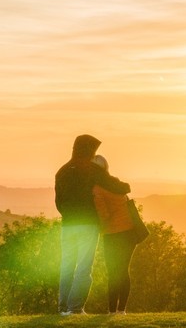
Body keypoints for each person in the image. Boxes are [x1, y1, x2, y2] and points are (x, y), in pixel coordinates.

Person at [55, 134, 130, 316]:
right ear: (89, 150)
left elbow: (59, 202)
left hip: (68, 225)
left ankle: (62, 308)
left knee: (66, 266)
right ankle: (75, 309)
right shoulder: (92, 170)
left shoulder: (62, 171)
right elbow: (122, 188)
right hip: (88, 224)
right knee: (83, 268)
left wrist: (69, 215)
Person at [91, 154, 137, 315]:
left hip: (112, 234)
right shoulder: (117, 184)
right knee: (124, 270)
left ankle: (111, 310)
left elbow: (103, 215)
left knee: (113, 272)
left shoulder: (97, 189)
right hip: (130, 232)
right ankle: (121, 310)